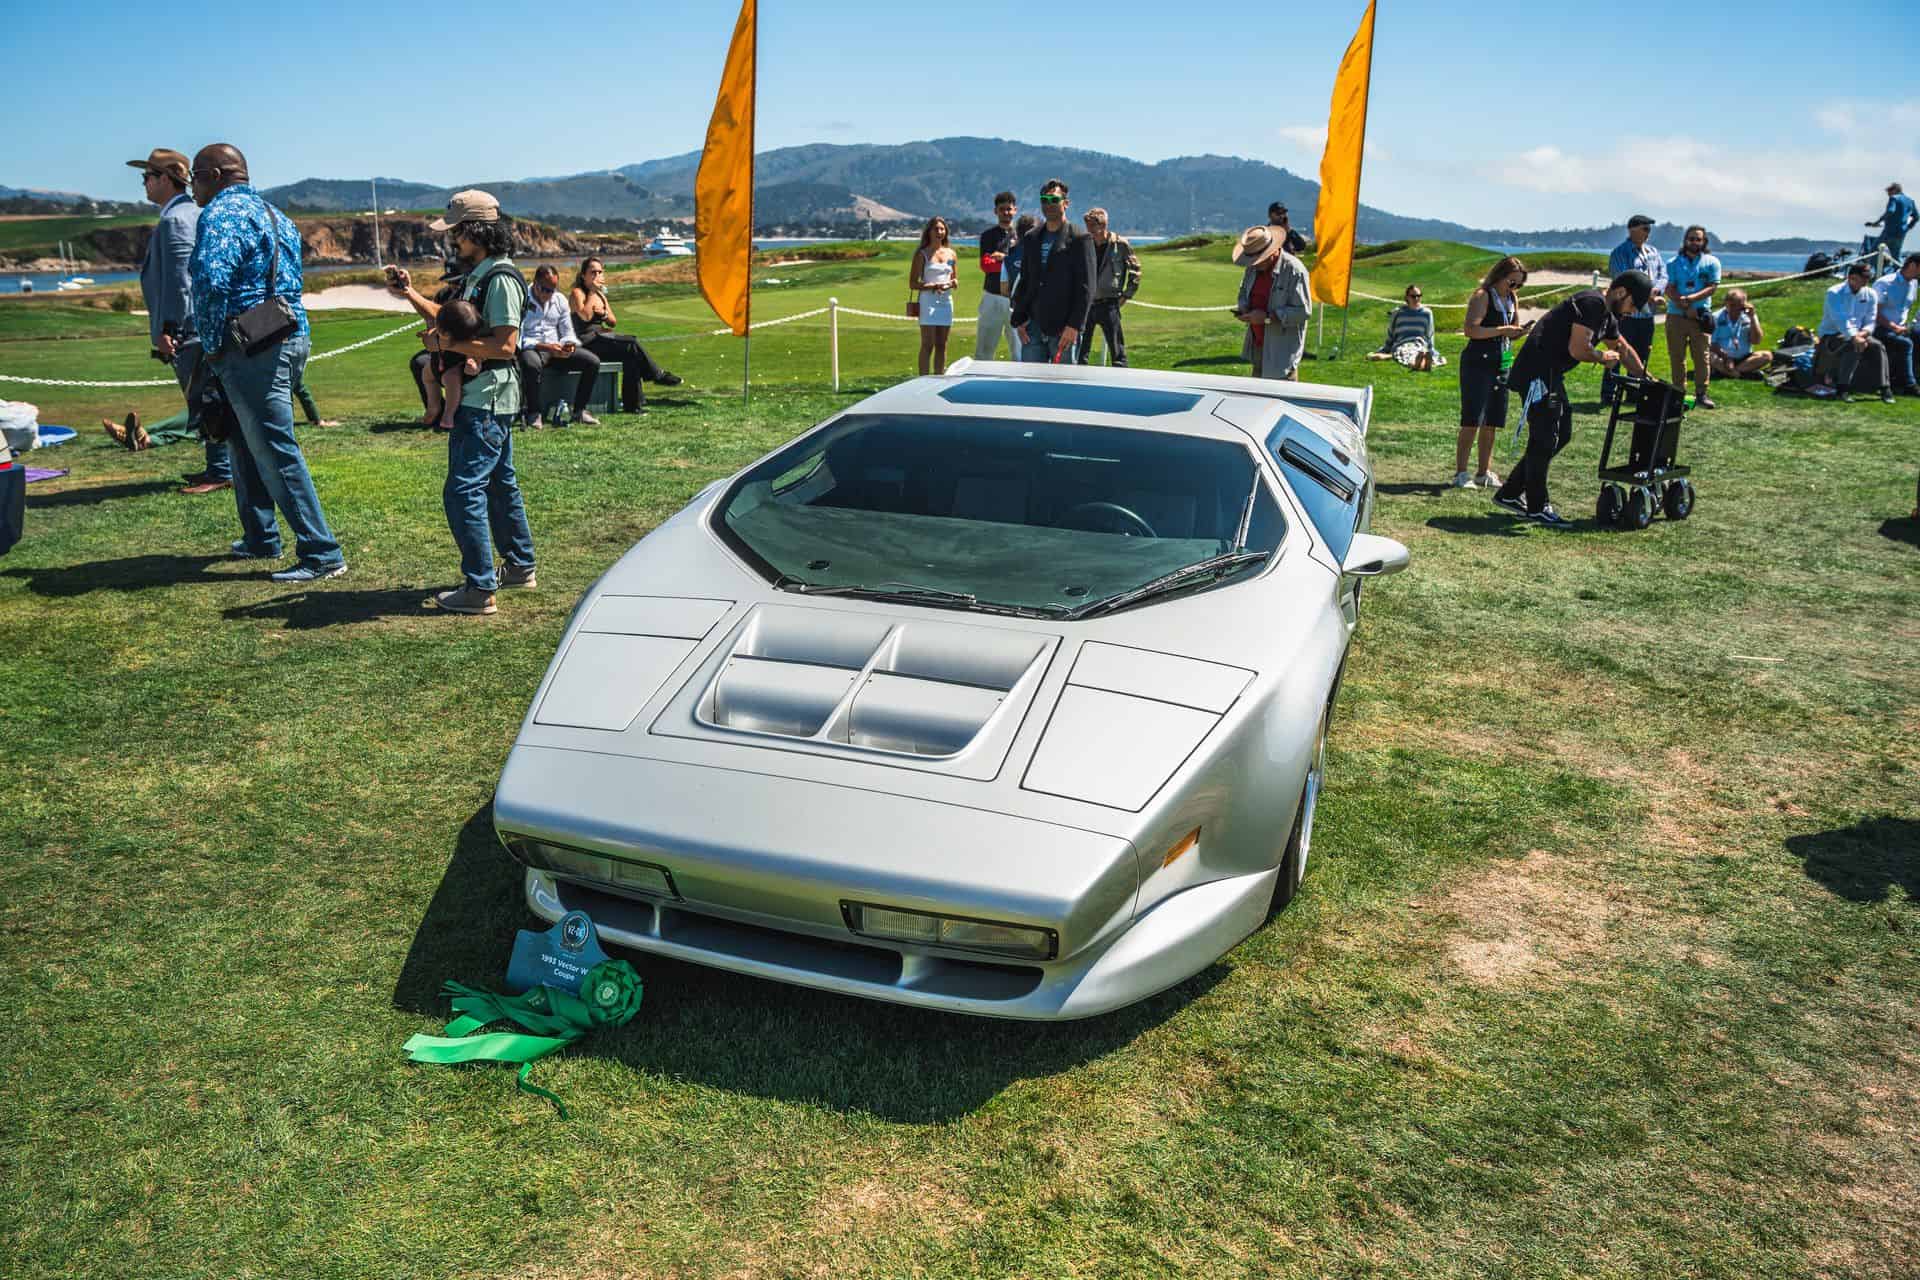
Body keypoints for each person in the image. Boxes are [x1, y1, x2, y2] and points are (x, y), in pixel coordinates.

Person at [187, 144, 346, 581]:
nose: (192, 187)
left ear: (215, 175)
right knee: (242, 439)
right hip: (288, 334)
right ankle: (260, 536)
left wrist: (212, 345)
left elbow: (210, 282)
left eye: (194, 176)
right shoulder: (277, 215)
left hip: (249, 345)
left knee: (274, 446)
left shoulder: (220, 215)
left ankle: (322, 552)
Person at [386, 189, 538, 614]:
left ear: (477, 232)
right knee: (499, 485)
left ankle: (480, 588)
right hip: (488, 397)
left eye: (457, 231)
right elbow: (450, 320)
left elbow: (505, 346)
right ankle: (519, 566)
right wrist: (409, 294)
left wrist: (445, 343)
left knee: (463, 491)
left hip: (485, 399)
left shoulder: (500, 279)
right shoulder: (482, 274)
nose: (453, 239)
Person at [1490, 271, 1651, 528]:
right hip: (1537, 373)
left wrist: (1646, 377)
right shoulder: (1592, 303)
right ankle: (1537, 507)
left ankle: (1510, 493)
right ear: (1621, 292)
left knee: (1561, 433)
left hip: (1550, 376)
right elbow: (1578, 349)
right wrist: (1602, 357)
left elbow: (1622, 348)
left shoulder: (1607, 317)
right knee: (1545, 437)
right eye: (1633, 304)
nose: (1632, 312)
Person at [125, 146, 232, 494]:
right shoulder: (191, 214)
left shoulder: (175, 220)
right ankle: (217, 467)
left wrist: (169, 328)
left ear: (166, 179)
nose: (144, 183)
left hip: (189, 329)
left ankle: (221, 470)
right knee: (207, 398)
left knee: (204, 399)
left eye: (148, 176)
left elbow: (180, 281)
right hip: (197, 325)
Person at [567, 258, 682, 415]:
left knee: (631, 356)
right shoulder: (577, 293)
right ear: (583, 275)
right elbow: (585, 317)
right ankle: (657, 374)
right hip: (587, 341)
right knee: (631, 343)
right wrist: (592, 292)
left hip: (601, 337)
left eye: (600, 272)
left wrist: (604, 314)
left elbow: (613, 321)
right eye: (593, 272)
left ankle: (633, 406)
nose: (597, 275)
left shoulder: (600, 295)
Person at [1455, 257, 1529, 488]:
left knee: (1493, 420)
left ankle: (1483, 471)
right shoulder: (1483, 295)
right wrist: (1502, 330)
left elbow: (1511, 329)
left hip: (1501, 361)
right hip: (1478, 361)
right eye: (1512, 282)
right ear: (1499, 276)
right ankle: (1461, 473)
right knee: (1472, 419)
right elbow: (1471, 330)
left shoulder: (1512, 298)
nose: (1514, 287)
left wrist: (1519, 332)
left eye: (1519, 284)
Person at [1010, 179, 1095, 364]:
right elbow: (1025, 280)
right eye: (1044, 200)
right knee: (1031, 380)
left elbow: (1086, 288)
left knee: (1063, 381)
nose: (1049, 204)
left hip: (1064, 329)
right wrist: (1019, 319)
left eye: (1054, 200)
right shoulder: (1031, 237)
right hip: (1033, 327)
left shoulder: (1080, 238)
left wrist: (1074, 326)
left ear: (1066, 203)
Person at [517, 265, 600, 427]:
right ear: (535, 283)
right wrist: (546, 348)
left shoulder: (560, 299)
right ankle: (534, 412)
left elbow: (568, 332)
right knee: (531, 363)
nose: (549, 294)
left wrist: (568, 345)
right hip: (533, 347)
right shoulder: (521, 299)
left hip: (556, 348)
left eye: (552, 290)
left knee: (592, 362)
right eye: (545, 289)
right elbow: (519, 338)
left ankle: (579, 411)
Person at [1231, 224, 1313, 380]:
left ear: (1272, 251)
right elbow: (1243, 292)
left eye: (1257, 260)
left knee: (1282, 395)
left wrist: (1267, 317)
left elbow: (1303, 312)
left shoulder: (1295, 270)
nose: (1254, 264)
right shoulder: (1252, 268)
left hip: (1281, 354)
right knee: (1256, 395)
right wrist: (1244, 308)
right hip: (1258, 347)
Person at [1604, 214, 1668, 404]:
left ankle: (1634, 393)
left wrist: (1656, 291)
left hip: (1647, 316)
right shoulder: (1620, 253)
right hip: (1626, 314)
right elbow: (1623, 280)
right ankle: (1609, 394)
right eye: (1645, 229)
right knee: (1618, 352)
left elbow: (1663, 275)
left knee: (1641, 355)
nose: (1648, 233)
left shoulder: (1653, 252)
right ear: (1632, 229)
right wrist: (1648, 294)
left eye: (1649, 229)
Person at [1816, 260, 1893, 402]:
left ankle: (1884, 387)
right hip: (1832, 334)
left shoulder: (1870, 294)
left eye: (1868, 277)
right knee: (1853, 346)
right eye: (1864, 277)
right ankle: (1842, 388)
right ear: (1851, 277)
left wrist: (1862, 334)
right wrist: (1854, 337)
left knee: (1878, 346)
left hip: (1859, 333)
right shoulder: (1834, 292)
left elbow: (1871, 320)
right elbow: (1840, 320)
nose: (1866, 280)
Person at [1664, 225, 1722, 408]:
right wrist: (1682, 303)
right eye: (1691, 239)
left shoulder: (1712, 262)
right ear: (1685, 241)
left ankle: (1701, 394)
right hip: (1676, 316)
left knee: (1702, 357)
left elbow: (1712, 287)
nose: (1694, 242)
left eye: (1698, 239)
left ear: (1704, 242)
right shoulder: (1673, 263)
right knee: (1677, 357)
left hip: (1700, 317)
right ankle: (1678, 393)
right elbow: (1669, 288)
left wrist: (1690, 300)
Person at [1078, 208, 1139, 367]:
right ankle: (1079, 378)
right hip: (1087, 303)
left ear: (1103, 225)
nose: (1089, 230)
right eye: (1087, 226)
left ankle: (1121, 377)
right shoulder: (1084, 243)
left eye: (1092, 226)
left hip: (1110, 303)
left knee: (1117, 351)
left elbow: (1135, 270)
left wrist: (1126, 295)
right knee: (1081, 352)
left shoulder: (1120, 244)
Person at [428, 301, 488, 431]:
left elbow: (475, 351)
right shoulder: (440, 331)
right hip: (439, 364)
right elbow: (431, 335)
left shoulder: (468, 341)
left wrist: (472, 362)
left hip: (455, 367)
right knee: (426, 374)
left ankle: (449, 413)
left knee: (452, 379)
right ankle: (433, 406)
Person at [910, 216, 957, 375]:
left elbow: (954, 278)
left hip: (946, 302)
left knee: (942, 344)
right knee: (928, 344)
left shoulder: (951, 254)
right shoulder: (922, 254)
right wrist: (933, 286)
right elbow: (913, 283)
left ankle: (939, 379)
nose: (939, 232)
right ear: (929, 232)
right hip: (928, 302)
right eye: (936, 229)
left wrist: (953, 283)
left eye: (942, 229)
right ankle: (923, 380)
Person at [974, 192, 1017, 360]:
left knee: (1019, 351)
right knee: (984, 350)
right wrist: (1012, 263)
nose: (1006, 212)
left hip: (1016, 299)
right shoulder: (988, 236)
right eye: (1002, 209)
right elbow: (986, 265)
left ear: (1015, 210)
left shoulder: (1024, 235)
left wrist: (1003, 258)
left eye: (1009, 209)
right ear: (995, 211)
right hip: (992, 297)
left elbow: (1025, 266)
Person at [1872, 252, 1920, 396]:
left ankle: (1903, 377)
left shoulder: (1913, 284)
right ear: (1913, 265)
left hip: (1899, 327)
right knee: (1906, 344)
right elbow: (1874, 314)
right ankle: (1909, 385)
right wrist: (1894, 327)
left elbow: (1905, 309)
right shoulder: (1885, 283)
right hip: (1880, 327)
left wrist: (1905, 327)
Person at [1368, 284, 1439, 370]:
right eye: (1413, 296)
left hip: (1419, 344)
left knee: (1419, 351)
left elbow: (1430, 334)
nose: (1416, 298)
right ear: (1407, 297)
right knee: (1407, 354)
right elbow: (1391, 332)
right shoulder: (1398, 313)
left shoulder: (1427, 313)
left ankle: (1422, 363)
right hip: (1402, 344)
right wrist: (1386, 348)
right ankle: (1420, 364)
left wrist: (1431, 350)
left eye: (1419, 296)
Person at [1707, 289, 1773, 380]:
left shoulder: (1749, 316)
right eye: (1732, 305)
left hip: (1744, 358)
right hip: (1721, 357)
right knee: (1709, 356)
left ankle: (1729, 372)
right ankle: (1741, 374)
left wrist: (1753, 317)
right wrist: (1726, 357)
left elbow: (1756, 341)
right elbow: (1711, 343)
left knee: (1767, 355)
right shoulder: (1716, 317)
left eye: (1739, 306)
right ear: (1726, 303)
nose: (1735, 309)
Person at [1000, 214, 1037, 361]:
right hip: (1040, 311)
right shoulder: (1042, 253)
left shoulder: (1009, 256)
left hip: (1017, 311)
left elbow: (1004, 289)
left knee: (1018, 355)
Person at [1866, 182, 1917, 262]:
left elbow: (1890, 211)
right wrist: (1907, 228)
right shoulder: (1910, 201)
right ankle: (1899, 269)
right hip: (1901, 233)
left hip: (1889, 232)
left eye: (1889, 191)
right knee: (1895, 258)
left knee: (1874, 252)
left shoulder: (1894, 198)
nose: (1888, 193)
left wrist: (1877, 222)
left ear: (1895, 190)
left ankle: (1873, 269)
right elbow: (1916, 217)